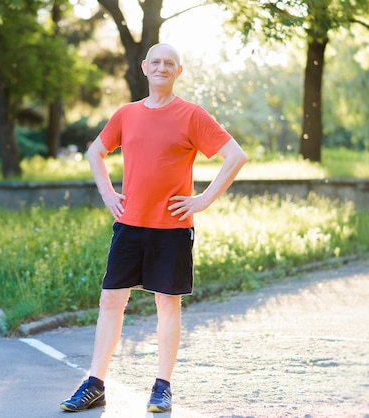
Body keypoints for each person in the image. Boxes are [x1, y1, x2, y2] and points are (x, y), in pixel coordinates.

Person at [60, 43, 247, 413]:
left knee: (167, 305)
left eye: (170, 64)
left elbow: (235, 156)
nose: (162, 68)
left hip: (172, 229)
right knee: (111, 300)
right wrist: (108, 194)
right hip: (129, 226)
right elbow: (95, 152)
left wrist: (202, 200)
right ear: (145, 68)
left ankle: (162, 387)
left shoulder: (192, 115)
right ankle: (95, 383)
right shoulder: (126, 114)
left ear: (179, 72)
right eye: (156, 62)